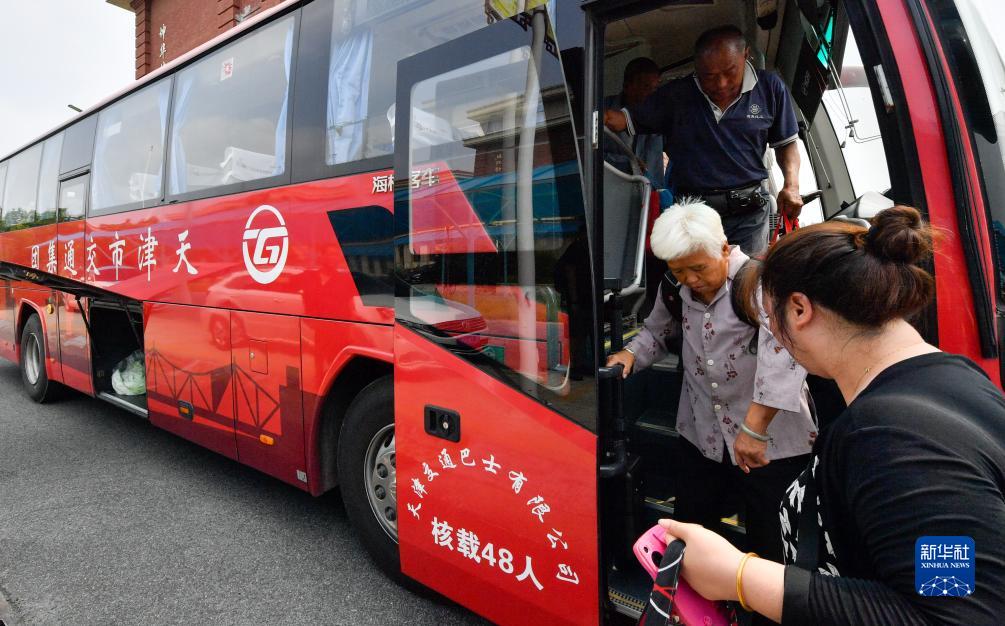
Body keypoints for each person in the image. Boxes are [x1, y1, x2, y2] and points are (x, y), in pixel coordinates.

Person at [659, 206, 1005, 624]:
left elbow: (954, 612)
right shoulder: (956, 382)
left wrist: (742, 577)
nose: (773, 341)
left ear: (799, 310)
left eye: (769, 319)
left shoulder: (896, 442)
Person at [606, 199, 815, 564]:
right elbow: (656, 333)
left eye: (698, 268)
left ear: (724, 248)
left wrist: (754, 429)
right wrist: (630, 354)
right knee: (691, 530)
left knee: (771, 543)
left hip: (770, 443)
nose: (690, 279)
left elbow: (785, 354)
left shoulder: (761, 283)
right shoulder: (674, 288)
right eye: (679, 270)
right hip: (703, 434)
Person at [604, 25, 803, 254]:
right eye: (709, 76)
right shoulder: (676, 95)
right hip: (695, 219)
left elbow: (786, 143)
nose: (721, 84)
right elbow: (622, 120)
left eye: (730, 72)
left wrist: (792, 185)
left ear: (745, 55)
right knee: (697, 275)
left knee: (746, 275)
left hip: (749, 216)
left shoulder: (770, 88)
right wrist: (598, 116)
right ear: (696, 68)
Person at [604, 56, 668, 199]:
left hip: (651, 196)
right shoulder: (603, 111)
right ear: (627, 86)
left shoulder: (661, 113)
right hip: (612, 197)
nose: (652, 94)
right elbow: (591, 156)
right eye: (646, 87)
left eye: (655, 88)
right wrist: (629, 164)